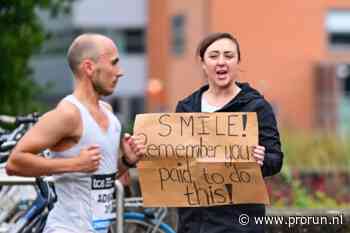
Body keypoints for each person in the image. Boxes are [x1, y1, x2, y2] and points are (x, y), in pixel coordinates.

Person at [5, 33, 145, 233]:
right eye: (113, 63)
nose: (120, 72)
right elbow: (15, 163)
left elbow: (101, 177)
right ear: (89, 67)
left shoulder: (109, 113)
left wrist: (127, 162)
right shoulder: (68, 114)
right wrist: (74, 164)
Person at [175, 32, 283, 233]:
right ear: (203, 63)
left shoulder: (257, 107)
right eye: (214, 56)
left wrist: (262, 159)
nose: (221, 62)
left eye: (229, 56)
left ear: (238, 61)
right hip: (194, 223)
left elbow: (275, 160)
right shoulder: (186, 107)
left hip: (241, 224)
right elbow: (176, 161)